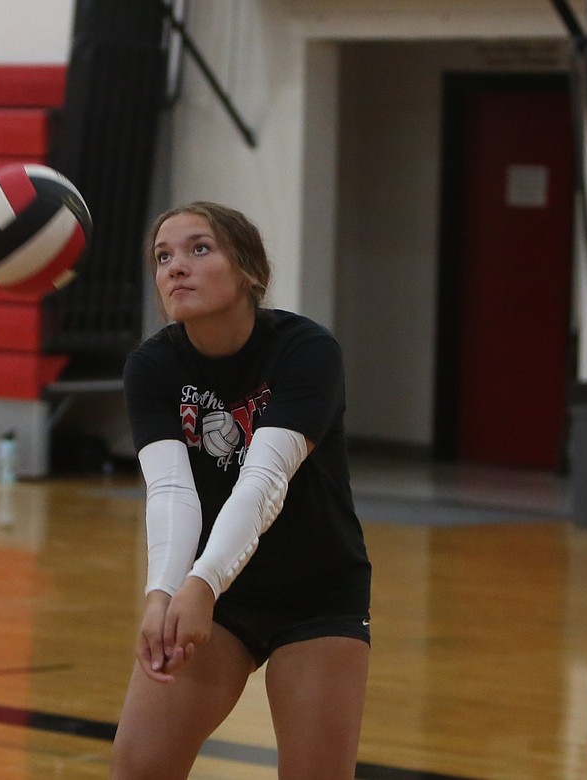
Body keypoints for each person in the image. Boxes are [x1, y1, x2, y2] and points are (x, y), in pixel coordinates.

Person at [110, 202, 372, 779]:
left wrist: (200, 582)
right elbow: (172, 490)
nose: (177, 266)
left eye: (199, 249)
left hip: (316, 590)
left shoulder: (306, 351)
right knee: (138, 768)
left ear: (249, 269)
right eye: (163, 256)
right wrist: (162, 593)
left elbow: (264, 480)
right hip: (216, 594)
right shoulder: (152, 366)